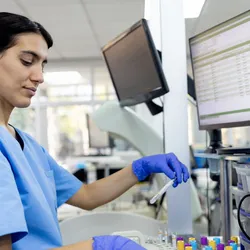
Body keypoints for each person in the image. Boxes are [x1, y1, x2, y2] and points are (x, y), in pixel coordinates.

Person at [0, 12, 190, 250]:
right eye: (27, 61)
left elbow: (86, 196)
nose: (39, 77)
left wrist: (140, 167)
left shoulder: (23, 143)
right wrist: (99, 246)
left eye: (42, 65)